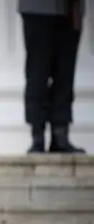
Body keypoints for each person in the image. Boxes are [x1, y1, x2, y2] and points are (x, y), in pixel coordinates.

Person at [18, 0, 86, 153]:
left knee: (65, 73)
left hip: (70, 9)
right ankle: (38, 136)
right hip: (38, 9)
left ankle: (60, 135)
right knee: (37, 73)